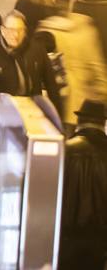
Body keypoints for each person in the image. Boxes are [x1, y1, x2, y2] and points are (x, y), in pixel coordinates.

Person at [62, 100, 107, 269]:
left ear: (79, 123)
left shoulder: (65, 150)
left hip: (66, 239)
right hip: (100, 243)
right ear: (103, 124)